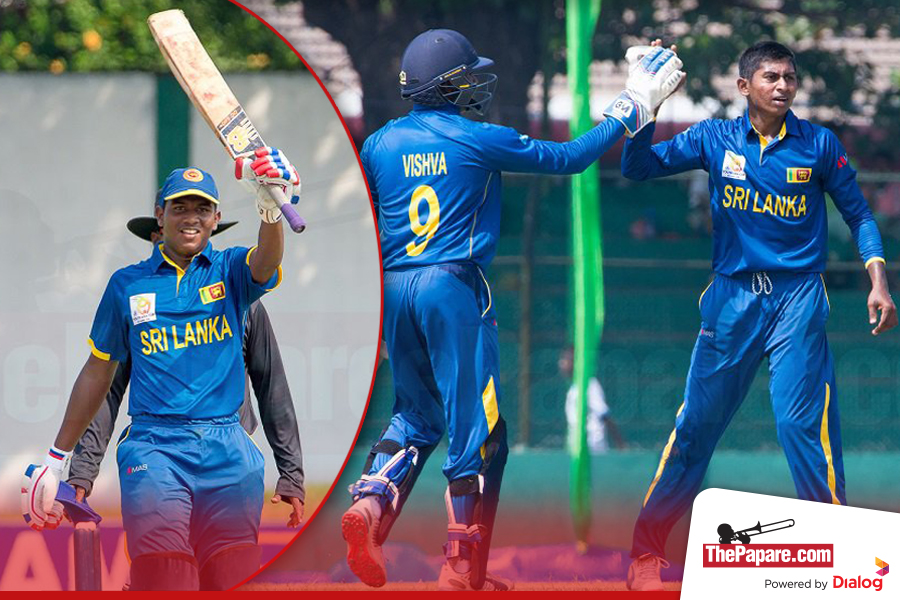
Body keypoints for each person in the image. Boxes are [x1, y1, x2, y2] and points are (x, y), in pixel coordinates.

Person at [341, 28, 684, 591]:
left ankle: (373, 501)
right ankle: (459, 564)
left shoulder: (378, 144)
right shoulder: (477, 137)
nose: (475, 84)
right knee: (477, 429)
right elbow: (570, 157)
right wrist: (633, 106)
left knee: (416, 415)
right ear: (447, 85)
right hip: (453, 287)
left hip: (396, 288)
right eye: (465, 76)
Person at [620, 41, 897, 591]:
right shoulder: (713, 138)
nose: (783, 86)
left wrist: (878, 281)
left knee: (802, 427)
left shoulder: (818, 144)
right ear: (744, 86)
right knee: (696, 428)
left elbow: (859, 214)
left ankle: (841, 554)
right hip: (732, 300)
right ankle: (646, 555)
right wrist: (645, 107)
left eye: (790, 77)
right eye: (771, 77)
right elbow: (637, 166)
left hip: (798, 298)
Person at [22, 148, 301, 591]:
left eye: (202, 209)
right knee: (168, 577)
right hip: (155, 448)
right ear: (160, 216)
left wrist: (270, 212)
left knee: (232, 577)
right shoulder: (127, 285)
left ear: (216, 219)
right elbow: (100, 377)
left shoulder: (231, 271)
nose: (191, 217)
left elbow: (266, 264)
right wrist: (60, 461)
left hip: (229, 449)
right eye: (179, 207)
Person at [67, 214, 305, 538]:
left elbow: (272, 387)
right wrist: (83, 470)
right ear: (159, 232)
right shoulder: (138, 302)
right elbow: (107, 391)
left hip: (228, 457)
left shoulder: (243, 303)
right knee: (163, 555)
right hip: (159, 457)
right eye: (159, 238)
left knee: (225, 559)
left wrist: (291, 472)